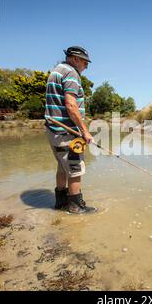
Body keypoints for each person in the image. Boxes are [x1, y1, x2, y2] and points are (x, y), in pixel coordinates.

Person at [45, 46, 96, 214]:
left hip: (54, 131)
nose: (86, 66)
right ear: (74, 59)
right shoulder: (71, 73)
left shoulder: (57, 71)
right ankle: (76, 206)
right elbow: (71, 105)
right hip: (67, 133)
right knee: (75, 169)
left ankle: (60, 202)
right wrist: (85, 131)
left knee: (62, 166)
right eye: (84, 62)